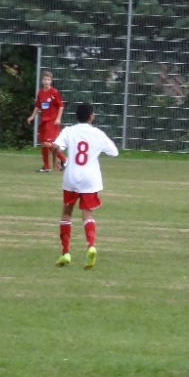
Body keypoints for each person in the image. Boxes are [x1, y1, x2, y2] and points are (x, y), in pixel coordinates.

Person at [52, 103, 119, 270]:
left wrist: (56, 158)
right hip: (90, 179)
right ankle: (91, 245)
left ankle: (65, 252)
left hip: (71, 178)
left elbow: (55, 146)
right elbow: (114, 152)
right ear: (91, 117)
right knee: (87, 214)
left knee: (67, 213)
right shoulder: (98, 134)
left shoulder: (69, 131)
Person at [27, 70, 67, 173]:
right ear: (41, 80)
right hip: (44, 120)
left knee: (47, 143)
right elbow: (37, 106)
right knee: (43, 143)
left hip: (52, 121)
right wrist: (32, 116)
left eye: (48, 79)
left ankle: (64, 160)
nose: (46, 81)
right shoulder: (40, 92)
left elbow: (61, 106)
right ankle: (46, 166)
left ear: (51, 81)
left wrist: (58, 118)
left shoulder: (54, 92)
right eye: (45, 79)